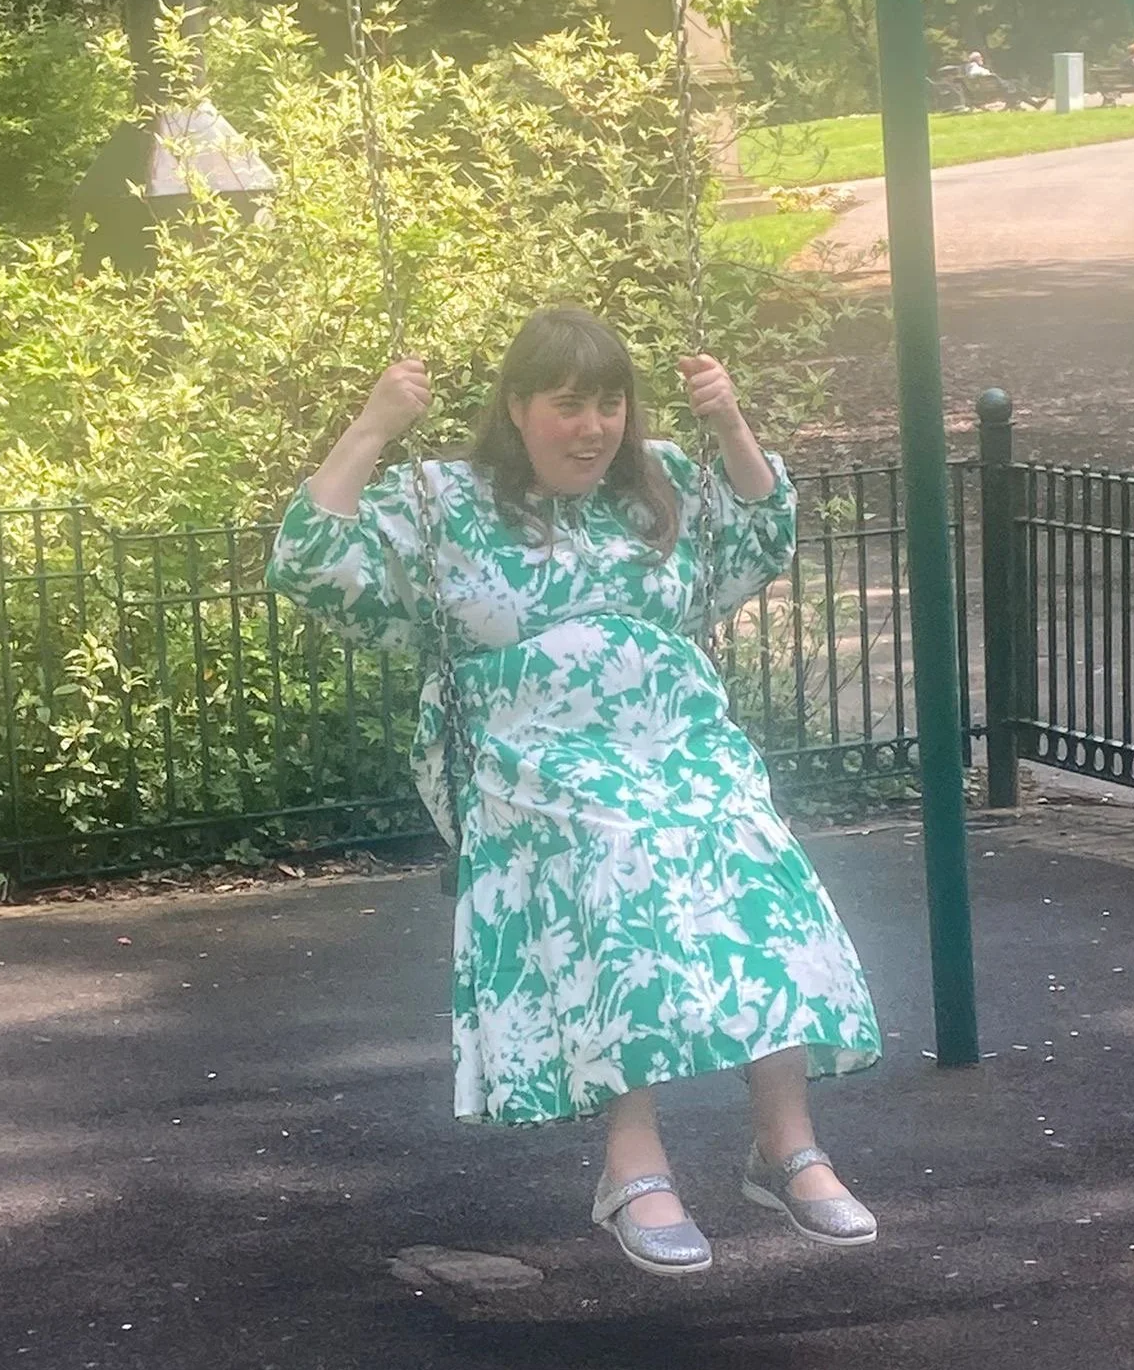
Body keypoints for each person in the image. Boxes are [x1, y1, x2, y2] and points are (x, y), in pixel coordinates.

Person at [266, 306, 883, 1277]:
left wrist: (729, 422)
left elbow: (763, 535)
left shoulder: (658, 483)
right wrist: (376, 423)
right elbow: (309, 562)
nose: (593, 428)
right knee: (617, 850)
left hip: (678, 743)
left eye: (609, 404)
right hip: (538, 755)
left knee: (749, 843)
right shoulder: (448, 501)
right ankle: (633, 1162)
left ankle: (785, 1141)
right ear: (517, 408)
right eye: (568, 405)